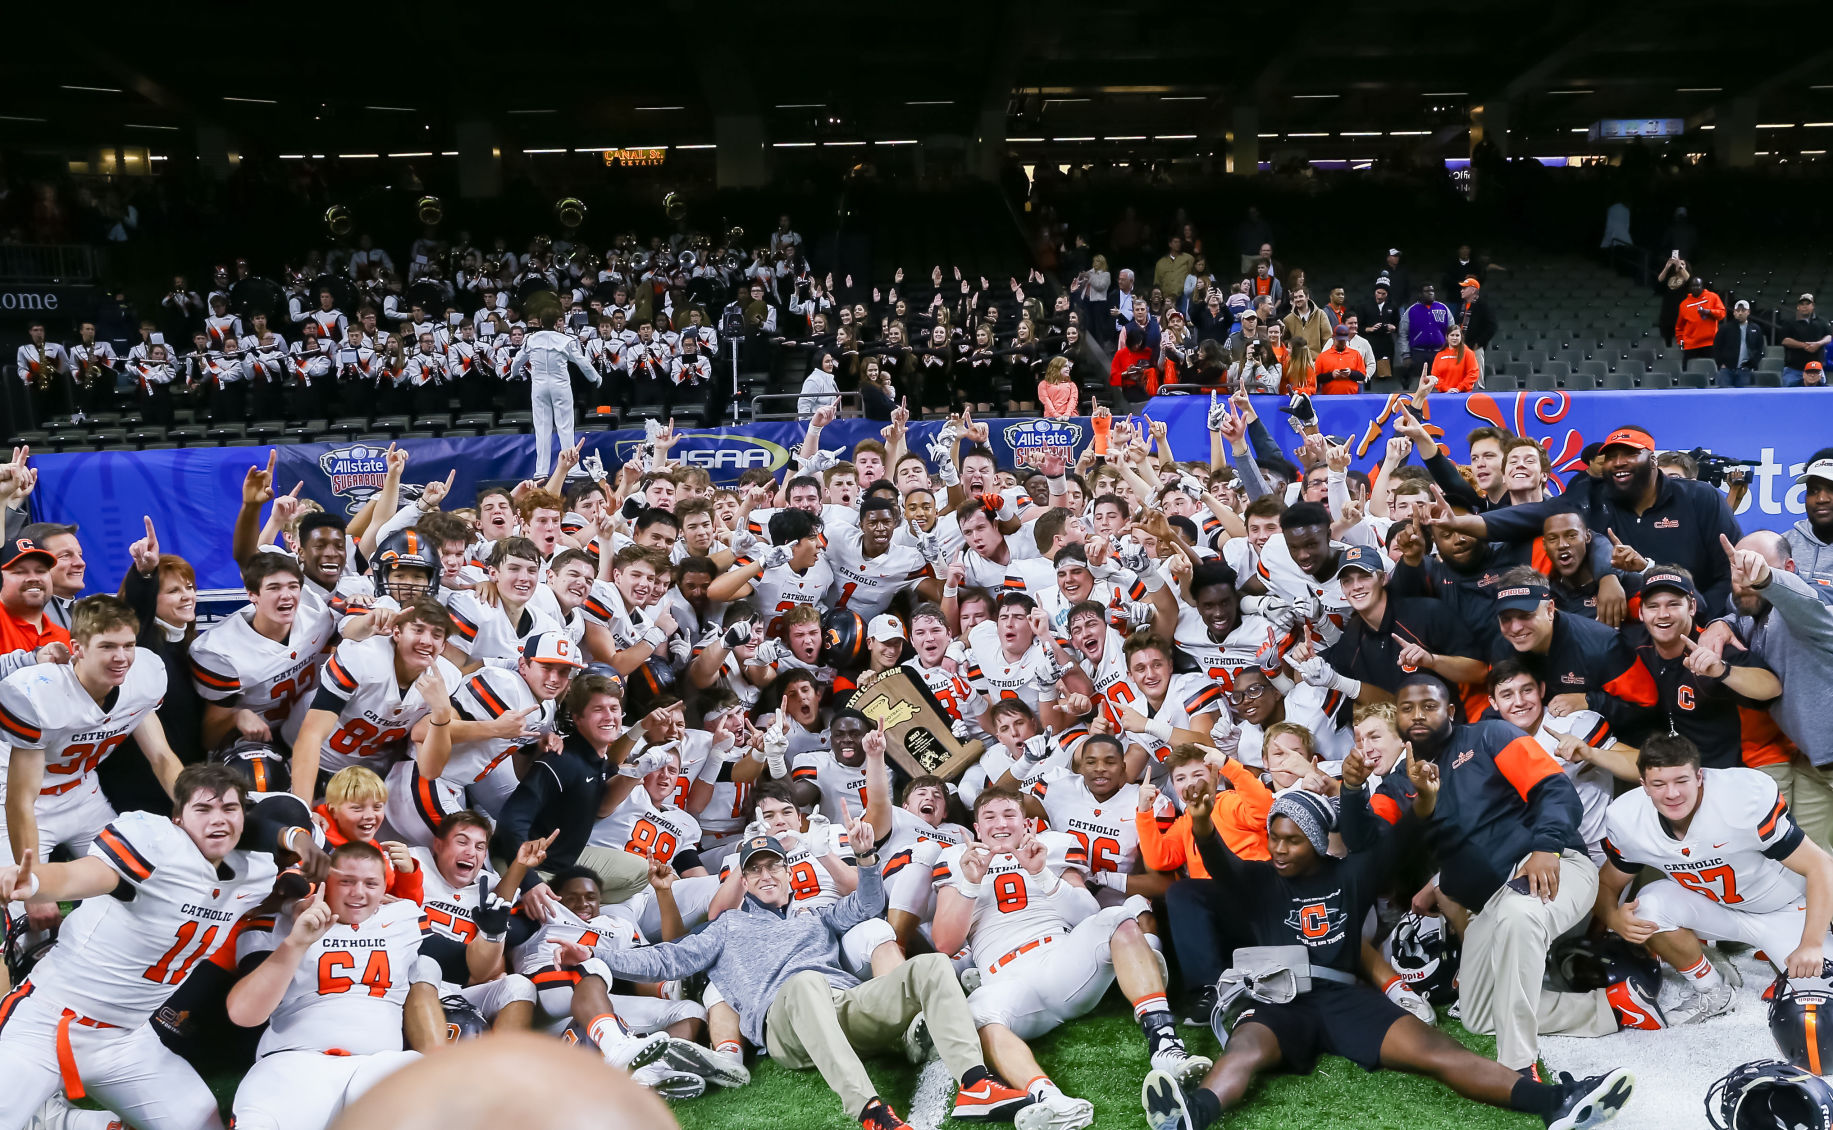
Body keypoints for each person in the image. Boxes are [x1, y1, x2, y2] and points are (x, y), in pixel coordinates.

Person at [1141, 783, 1633, 1130]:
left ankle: (1555, 1102)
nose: (1279, 849)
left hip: (1342, 996)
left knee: (1438, 1051)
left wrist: (1425, 806)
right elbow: (1222, 867)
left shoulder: (1348, 875)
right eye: (1275, 837)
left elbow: (1399, 843)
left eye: (1292, 840)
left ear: (1315, 842)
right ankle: (1192, 1115)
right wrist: (1203, 826)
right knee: (1245, 1050)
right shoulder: (1259, 878)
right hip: (1279, 998)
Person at [581, 822, 1038, 1130]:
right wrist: (594, 950)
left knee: (934, 965)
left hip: (841, 1005)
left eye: (772, 866)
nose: (765, 875)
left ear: (787, 871)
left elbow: (866, 906)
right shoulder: (726, 926)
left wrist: (865, 860)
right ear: (744, 879)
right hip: (786, 1027)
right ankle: (870, 1110)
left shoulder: (811, 916)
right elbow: (665, 961)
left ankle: (976, 1085)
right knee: (803, 984)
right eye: (754, 870)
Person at [0, 764, 322, 1130]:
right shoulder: (155, 846)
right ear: (178, 819)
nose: (218, 819)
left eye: (229, 809)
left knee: (201, 1124)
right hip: (51, 1019)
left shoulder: (257, 871)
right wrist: (38, 881)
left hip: (127, 1039)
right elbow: (80, 874)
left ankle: (57, 1121)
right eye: (202, 809)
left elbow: (274, 830)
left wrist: (297, 879)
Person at [1343, 675, 1626, 1074]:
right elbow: (1364, 845)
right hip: (1489, 905)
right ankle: (1612, 1008)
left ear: (1451, 712)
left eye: (1429, 705)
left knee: (1518, 914)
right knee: (1479, 1014)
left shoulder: (1490, 736)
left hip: (1555, 866)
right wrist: (1352, 791)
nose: (1418, 715)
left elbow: (1555, 789)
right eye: (1407, 708)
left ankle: (1518, 1070)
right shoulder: (1397, 783)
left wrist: (1547, 845)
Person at [1595, 732, 1833, 1027]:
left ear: (1699, 776)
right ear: (1643, 785)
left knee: (1821, 1004)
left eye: (1681, 780)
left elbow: (1822, 866)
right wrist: (1613, 918)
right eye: (1659, 784)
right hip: (1714, 908)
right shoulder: (1628, 819)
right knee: (1645, 908)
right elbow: (1607, 883)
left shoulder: (1740, 800)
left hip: (1782, 908)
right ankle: (1712, 990)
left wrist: (1810, 944)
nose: (1672, 793)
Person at [227, 841, 445, 1130]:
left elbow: (463, 962)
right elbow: (244, 1012)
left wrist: (493, 932)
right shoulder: (283, 921)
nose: (358, 892)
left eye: (371, 883)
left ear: (384, 888)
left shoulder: (403, 917)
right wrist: (295, 937)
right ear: (326, 882)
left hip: (376, 1065)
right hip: (293, 1064)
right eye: (346, 881)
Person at [510, 312, 596, 477]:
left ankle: (541, 471)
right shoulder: (565, 340)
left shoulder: (531, 339)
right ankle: (572, 468)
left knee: (542, 428)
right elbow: (582, 363)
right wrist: (595, 378)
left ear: (540, 322)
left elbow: (518, 360)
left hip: (539, 387)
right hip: (560, 387)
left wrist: (514, 373)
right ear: (557, 322)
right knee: (565, 427)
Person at [1778, 293, 1831, 387]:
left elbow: (1829, 337)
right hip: (1794, 369)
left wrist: (1818, 344)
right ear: (1798, 307)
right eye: (1802, 304)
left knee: (1819, 399)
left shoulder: (1822, 322)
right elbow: (1784, 340)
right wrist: (1804, 345)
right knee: (1790, 398)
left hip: (1816, 370)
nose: (1804, 306)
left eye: (1807, 304)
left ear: (1813, 306)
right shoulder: (1789, 322)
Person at [1712, 299, 1764, 387]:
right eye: (1737, 310)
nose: (1740, 313)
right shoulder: (1725, 328)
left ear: (1748, 312)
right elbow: (1716, 347)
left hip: (1745, 370)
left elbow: (1759, 349)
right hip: (1726, 370)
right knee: (1724, 396)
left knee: (1743, 398)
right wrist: (1721, 364)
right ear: (1734, 313)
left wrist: (1752, 364)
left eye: (1743, 310)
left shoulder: (1755, 328)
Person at [1674, 277, 1725, 365]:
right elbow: (1679, 328)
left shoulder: (1713, 297)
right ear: (1690, 288)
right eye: (1693, 286)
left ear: (1702, 286)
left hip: (1709, 343)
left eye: (1697, 285)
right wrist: (1681, 344)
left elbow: (1722, 314)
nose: (1695, 288)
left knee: (1712, 370)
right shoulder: (1684, 304)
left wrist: (1708, 311)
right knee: (1687, 370)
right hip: (1691, 345)